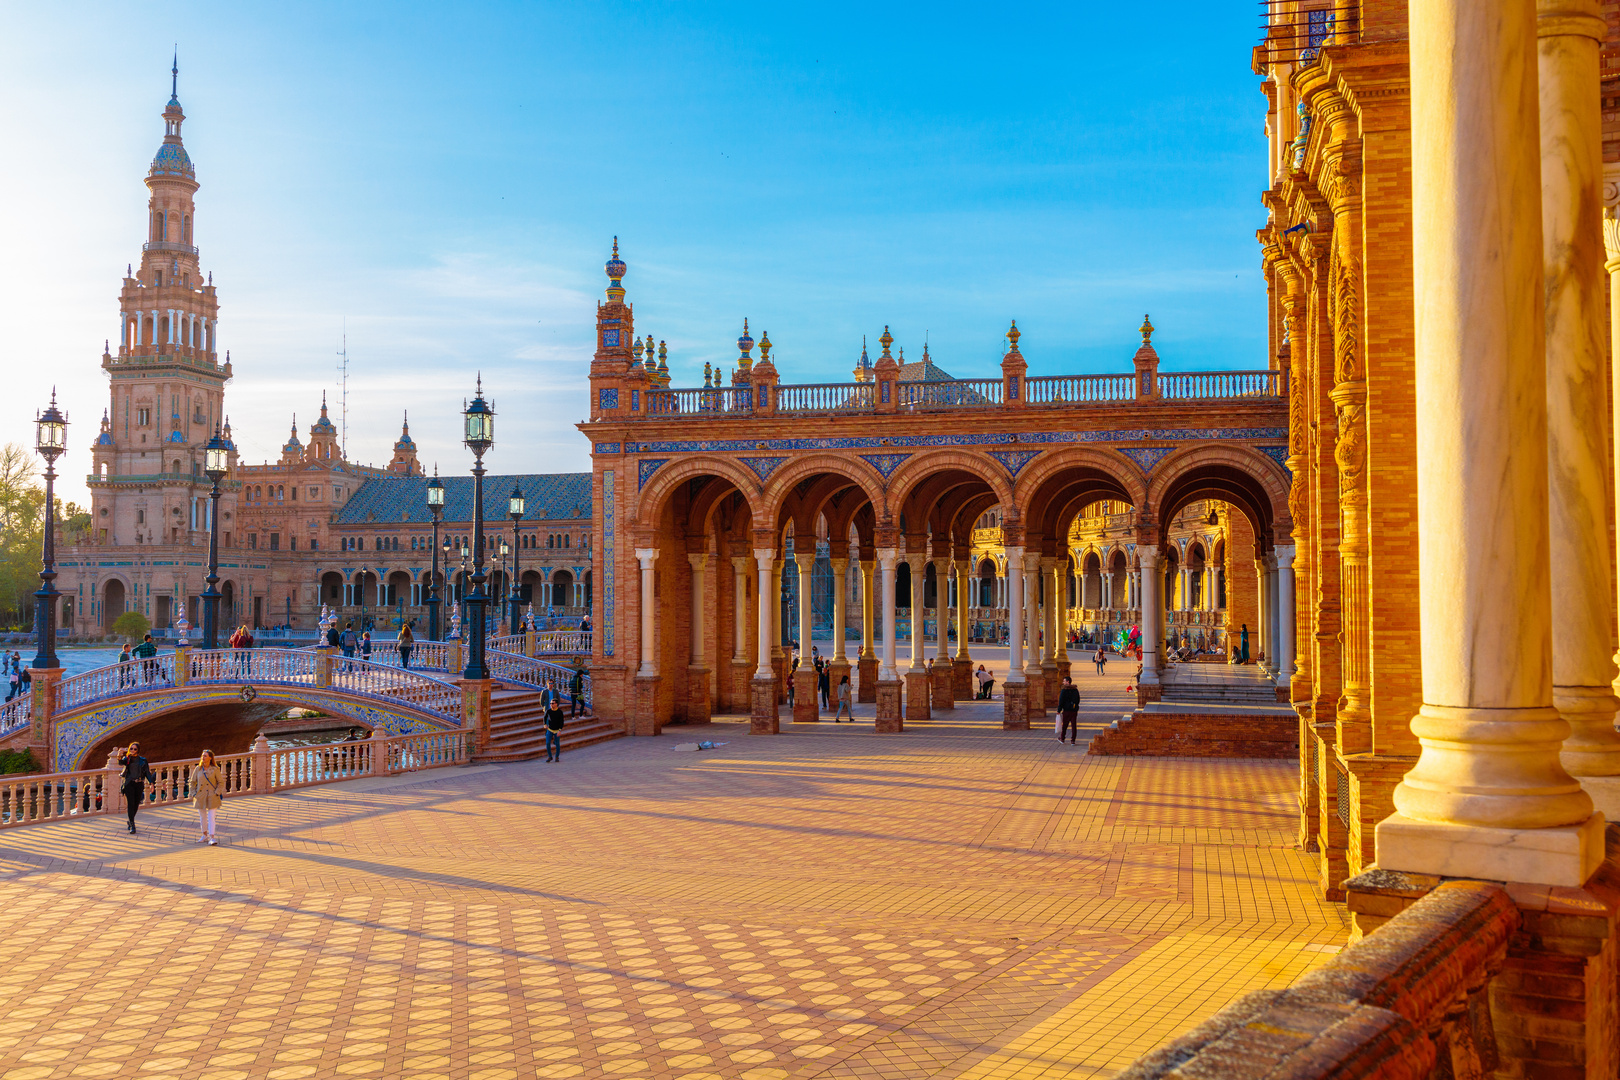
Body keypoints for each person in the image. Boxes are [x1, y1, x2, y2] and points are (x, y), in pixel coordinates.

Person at [191, 749, 224, 845]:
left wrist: (217, 792)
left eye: (205, 756)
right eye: (202, 755)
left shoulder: (215, 769)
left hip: (212, 796)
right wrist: (194, 793)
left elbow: (220, 782)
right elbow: (192, 782)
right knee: (202, 817)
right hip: (200, 796)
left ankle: (212, 837)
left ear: (210, 758)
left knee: (211, 817)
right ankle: (204, 835)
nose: (203, 757)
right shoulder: (198, 769)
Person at [120, 742, 154, 834]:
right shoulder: (127, 759)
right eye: (131, 748)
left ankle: (130, 820)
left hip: (139, 784)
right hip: (129, 784)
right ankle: (132, 825)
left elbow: (147, 772)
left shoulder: (143, 760)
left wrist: (151, 783)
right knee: (131, 804)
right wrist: (120, 754)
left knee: (136, 804)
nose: (133, 750)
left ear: (138, 750)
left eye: (135, 749)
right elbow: (120, 762)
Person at [1057, 676, 1080, 744]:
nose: (1063, 682)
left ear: (1068, 682)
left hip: (1066, 710)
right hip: (1074, 710)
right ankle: (1073, 740)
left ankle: (1062, 738)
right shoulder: (1075, 690)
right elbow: (1078, 700)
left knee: (1065, 725)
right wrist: (1075, 706)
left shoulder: (1064, 690)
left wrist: (1059, 710)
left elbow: (1061, 701)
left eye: (1064, 681)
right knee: (1073, 726)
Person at [544, 696, 566, 762]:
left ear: (556, 704)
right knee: (548, 743)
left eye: (553, 703)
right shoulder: (548, 711)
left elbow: (561, 722)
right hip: (550, 729)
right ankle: (550, 756)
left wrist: (560, 730)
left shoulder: (560, 712)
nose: (551, 705)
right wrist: (545, 724)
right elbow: (545, 718)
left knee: (557, 744)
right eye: (550, 703)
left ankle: (557, 756)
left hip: (557, 730)